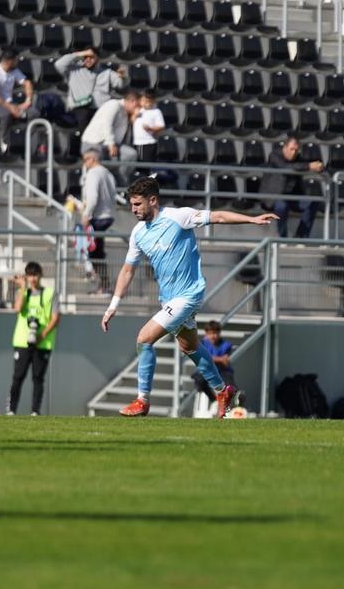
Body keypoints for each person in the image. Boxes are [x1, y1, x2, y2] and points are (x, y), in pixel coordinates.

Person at [101, 178, 278, 418]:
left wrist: (252, 219)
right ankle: (223, 390)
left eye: (137, 204)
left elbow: (218, 217)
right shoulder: (138, 233)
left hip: (189, 295)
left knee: (144, 339)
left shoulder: (179, 217)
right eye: (132, 204)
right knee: (189, 346)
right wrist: (113, 305)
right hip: (169, 299)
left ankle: (142, 401)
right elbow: (127, 270)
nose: (133, 209)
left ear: (153, 200)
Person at [8, 262, 60, 416]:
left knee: (38, 378)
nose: (32, 279)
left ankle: (35, 411)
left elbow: (55, 318)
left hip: (42, 342)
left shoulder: (50, 293)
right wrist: (23, 287)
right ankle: (11, 410)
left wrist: (41, 336)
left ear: (40, 275)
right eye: (30, 275)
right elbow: (17, 309)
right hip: (22, 342)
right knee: (18, 376)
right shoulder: (23, 292)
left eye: (35, 275)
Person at [262, 137, 325, 239]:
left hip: (292, 197)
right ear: (285, 147)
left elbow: (306, 165)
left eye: (296, 150)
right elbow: (284, 167)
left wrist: (319, 167)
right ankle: (282, 238)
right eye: (291, 149)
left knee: (313, 202)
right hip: (275, 196)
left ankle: (301, 237)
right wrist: (309, 166)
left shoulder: (298, 158)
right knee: (282, 206)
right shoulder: (274, 155)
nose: (294, 152)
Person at [54, 48, 127, 129]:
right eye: (85, 57)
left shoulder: (107, 72)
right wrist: (79, 53)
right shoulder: (74, 70)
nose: (88, 59)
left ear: (98, 58)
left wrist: (123, 78)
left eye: (91, 57)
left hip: (100, 110)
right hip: (79, 109)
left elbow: (120, 85)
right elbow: (58, 64)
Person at [80, 148, 116, 293]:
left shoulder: (93, 173)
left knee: (95, 253)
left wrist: (86, 214)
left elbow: (93, 198)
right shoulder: (107, 173)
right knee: (98, 251)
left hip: (98, 217)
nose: (84, 164)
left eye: (86, 160)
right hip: (109, 215)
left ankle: (104, 285)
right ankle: (104, 284)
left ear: (92, 159)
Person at [0, 49, 34, 146]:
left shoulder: (14, 71)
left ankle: (27, 141)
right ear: (10, 61)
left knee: (34, 113)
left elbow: (27, 83)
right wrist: (11, 108)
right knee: (6, 115)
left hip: (10, 105)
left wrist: (28, 100)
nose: (17, 61)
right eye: (16, 60)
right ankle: (4, 142)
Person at [81, 92, 139, 168]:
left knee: (131, 154)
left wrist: (132, 121)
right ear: (132, 101)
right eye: (138, 106)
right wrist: (111, 143)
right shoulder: (114, 104)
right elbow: (107, 123)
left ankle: (120, 179)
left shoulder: (127, 113)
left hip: (111, 145)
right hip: (94, 142)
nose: (139, 109)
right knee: (97, 167)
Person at [191, 321, 236, 401]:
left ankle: (235, 404)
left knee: (231, 387)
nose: (213, 336)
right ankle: (213, 399)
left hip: (222, 371)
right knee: (198, 379)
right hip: (207, 370)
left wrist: (212, 359)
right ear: (206, 334)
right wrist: (220, 359)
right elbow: (203, 359)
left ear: (219, 333)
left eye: (215, 333)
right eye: (210, 333)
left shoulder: (226, 345)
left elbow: (225, 363)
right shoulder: (202, 343)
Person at [131, 90, 164, 178]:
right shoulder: (139, 110)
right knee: (137, 167)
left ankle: (144, 184)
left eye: (149, 102)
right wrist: (134, 115)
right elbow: (133, 121)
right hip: (137, 143)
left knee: (144, 167)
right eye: (144, 101)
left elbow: (161, 126)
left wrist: (150, 128)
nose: (147, 104)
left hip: (147, 143)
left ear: (153, 101)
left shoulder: (156, 112)